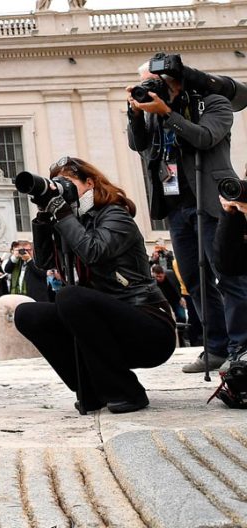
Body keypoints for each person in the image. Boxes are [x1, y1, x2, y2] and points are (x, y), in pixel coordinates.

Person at [15, 156, 176, 414]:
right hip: (106, 328)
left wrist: (63, 214)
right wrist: (44, 217)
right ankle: (91, 390)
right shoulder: (70, 220)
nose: (63, 189)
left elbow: (93, 251)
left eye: (68, 182)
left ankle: (126, 391)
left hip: (148, 326)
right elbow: (44, 262)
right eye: (58, 183)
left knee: (70, 296)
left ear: (90, 183)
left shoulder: (115, 214)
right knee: (27, 314)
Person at [127, 55, 247, 372]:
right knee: (194, 278)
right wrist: (135, 113)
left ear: (174, 81)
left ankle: (241, 347)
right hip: (176, 205)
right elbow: (138, 145)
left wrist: (168, 114)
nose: (149, 89)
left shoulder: (214, 102)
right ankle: (216, 347)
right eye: (144, 84)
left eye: (153, 83)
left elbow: (205, 138)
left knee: (228, 275)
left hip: (211, 200)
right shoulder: (154, 110)